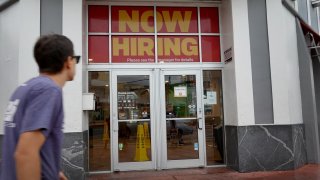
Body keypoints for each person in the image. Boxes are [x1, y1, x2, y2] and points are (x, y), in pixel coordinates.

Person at [1, 34, 80, 180]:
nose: (76, 63)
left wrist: (52, 171)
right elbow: (25, 153)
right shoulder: (48, 90)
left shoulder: (25, 88)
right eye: (76, 59)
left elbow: (24, 142)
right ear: (68, 62)